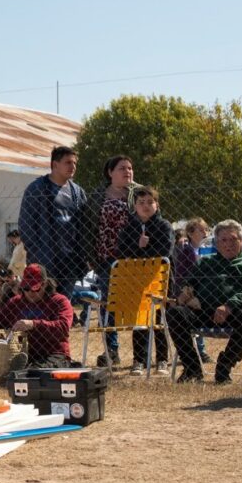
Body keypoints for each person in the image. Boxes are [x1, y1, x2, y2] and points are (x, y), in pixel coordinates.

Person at [167, 219, 242, 384]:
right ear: (216, 243)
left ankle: (225, 365)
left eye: (233, 239)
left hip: (235, 313)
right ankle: (192, 368)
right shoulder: (205, 261)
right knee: (176, 314)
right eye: (223, 240)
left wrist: (229, 305)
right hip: (203, 311)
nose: (228, 244)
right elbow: (190, 283)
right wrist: (185, 294)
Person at [83, 155, 140, 367]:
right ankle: (111, 350)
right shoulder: (98, 196)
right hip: (106, 258)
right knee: (110, 304)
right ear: (110, 172)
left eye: (130, 168)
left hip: (134, 259)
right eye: (122, 168)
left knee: (137, 305)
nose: (128, 171)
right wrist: (91, 257)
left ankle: (140, 355)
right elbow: (89, 227)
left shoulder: (139, 194)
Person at [115, 186, 173, 376]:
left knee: (159, 320)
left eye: (150, 202)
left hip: (160, 281)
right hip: (136, 281)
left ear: (157, 204)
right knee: (139, 321)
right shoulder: (128, 227)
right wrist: (138, 246)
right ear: (135, 206)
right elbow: (121, 252)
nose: (146, 206)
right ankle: (139, 360)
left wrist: (144, 250)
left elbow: (165, 250)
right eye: (141, 203)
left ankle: (162, 359)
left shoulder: (164, 225)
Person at [18, 146, 88, 299]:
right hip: (45, 260)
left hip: (70, 260)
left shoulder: (78, 192)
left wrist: (83, 255)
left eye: (75, 163)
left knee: (63, 304)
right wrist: (37, 253)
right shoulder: (36, 189)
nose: (72, 167)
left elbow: (85, 226)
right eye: (68, 162)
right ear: (55, 165)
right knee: (44, 304)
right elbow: (26, 225)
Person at [0, 264, 74, 369]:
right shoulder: (16, 302)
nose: (30, 293)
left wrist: (33, 324)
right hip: (22, 353)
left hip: (54, 353)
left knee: (37, 372)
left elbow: (63, 327)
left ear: (45, 284)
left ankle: (25, 370)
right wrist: (3, 341)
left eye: (35, 288)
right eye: (26, 288)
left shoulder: (59, 301)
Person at [172, 217, 212, 363]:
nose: (205, 232)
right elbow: (188, 274)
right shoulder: (187, 250)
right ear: (190, 232)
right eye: (200, 230)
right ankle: (199, 351)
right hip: (187, 291)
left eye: (206, 229)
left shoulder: (201, 249)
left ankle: (200, 350)